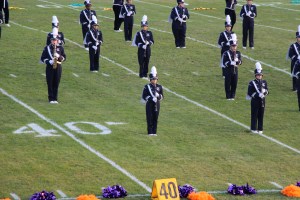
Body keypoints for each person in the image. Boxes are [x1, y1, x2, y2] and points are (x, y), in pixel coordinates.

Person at [40, 28, 66, 104]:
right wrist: (49, 61)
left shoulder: (60, 48)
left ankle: (55, 98)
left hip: (58, 67)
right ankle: (51, 98)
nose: (54, 41)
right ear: (51, 40)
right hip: (50, 67)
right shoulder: (47, 48)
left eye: (55, 40)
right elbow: (43, 58)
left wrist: (60, 57)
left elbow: (64, 57)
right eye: (53, 40)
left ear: (57, 41)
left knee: (56, 82)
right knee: (50, 82)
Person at [247, 62, 269, 134]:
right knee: (254, 114)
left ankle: (260, 128)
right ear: (255, 75)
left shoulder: (264, 82)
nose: (259, 76)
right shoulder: (252, 83)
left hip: (262, 100)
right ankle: (253, 128)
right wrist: (257, 95)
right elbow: (250, 92)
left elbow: (267, 91)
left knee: (261, 114)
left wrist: (265, 92)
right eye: (258, 75)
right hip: (255, 101)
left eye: (260, 75)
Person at [142, 66, 164, 136]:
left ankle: (154, 131)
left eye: (155, 79)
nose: (154, 80)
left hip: (157, 104)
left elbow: (162, 96)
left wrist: (158, 96)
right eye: (153, 79)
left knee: (155, 117)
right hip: (149, 104)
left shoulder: (159, 87)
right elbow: (144, 96)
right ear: (150, 79)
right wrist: (151, 98)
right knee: (149, 117)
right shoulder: (147, 86)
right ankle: (150, 131)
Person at [222, 34, 242, 100]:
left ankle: (233, 95)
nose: (234, 47)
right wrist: (231, 62)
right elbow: (224, 63)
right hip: (228, 70)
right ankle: (228, 96)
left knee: (234, 83)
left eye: (235, 46)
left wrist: (238, 61)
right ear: (230, 46)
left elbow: (241, 62)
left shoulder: (238, 53)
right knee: (227, 83)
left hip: (235, 70)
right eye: (233, 46)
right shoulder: (226, 53)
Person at [287, 25, 300, 92]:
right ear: (296, 38)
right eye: (298, 37)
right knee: (295, 74)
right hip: (295, 62)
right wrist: (296, 57)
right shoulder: (293, 46)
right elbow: (290, 55)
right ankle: (295, 87)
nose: (299, 38)